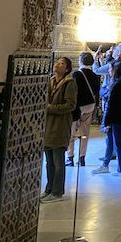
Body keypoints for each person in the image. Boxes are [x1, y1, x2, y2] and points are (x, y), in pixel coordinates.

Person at [42, 56, 77, 203]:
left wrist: (51, 108)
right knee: (49, 161)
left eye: (61, 63)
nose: (57, 65)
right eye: (57, 62)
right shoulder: (51, 81)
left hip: (60, 125)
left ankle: (57, 192)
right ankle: (49, 189)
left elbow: (70, 105)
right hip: (48, 125)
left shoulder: (69, 83)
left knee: (58, 161)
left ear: (67, 69)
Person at [66, 51, 100, 167]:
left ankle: (70, 157)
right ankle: (82, 158)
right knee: (85, 133)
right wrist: (96, 107)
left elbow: (73, 91)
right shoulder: (95, 75)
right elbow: (96, 92)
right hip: (90, 106)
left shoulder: (76, 74)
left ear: (80, 61)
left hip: (78, 107)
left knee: (71, 133)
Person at [92, 62, 117, 174]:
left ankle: (106, 164)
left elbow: (105, 95)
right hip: (114, 116)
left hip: (111, 117)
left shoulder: (114, 84)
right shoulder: (115, 82)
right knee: (113, 140)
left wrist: (107, 122)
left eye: (110, 69)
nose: (109, 71)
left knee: (111, 140)